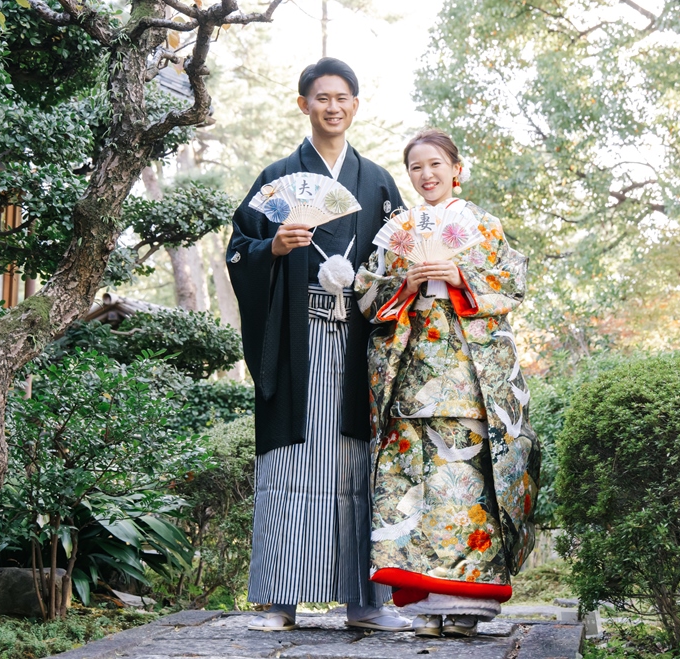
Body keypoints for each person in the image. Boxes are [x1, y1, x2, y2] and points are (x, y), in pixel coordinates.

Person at [226, 58, 410, 632]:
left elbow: (399, 257)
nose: (333, 106)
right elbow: (238, 249)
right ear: (302, 103)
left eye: (343, 97)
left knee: (357, 468)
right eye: (321, 97)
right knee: (292, 463)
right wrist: (273, 249)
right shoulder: (279, 175)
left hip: (355, 342)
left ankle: (365, 602)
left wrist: (371, 282)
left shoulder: (376, 180)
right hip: (295, 339)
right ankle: (280, 602)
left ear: (356, 105)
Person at [353, 129, 541, 638]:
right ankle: (427, 608)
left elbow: (513, 281)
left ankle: (466, 606)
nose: (426, 175)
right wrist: (404, 284)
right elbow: (367, 295)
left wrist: (461, 278)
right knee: (418, 493)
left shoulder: (483, 225)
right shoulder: (399, 228)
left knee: (467, 490)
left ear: (457, 169)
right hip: (412, 377)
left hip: (469, 378)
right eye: (416, 167)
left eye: (435, 164)